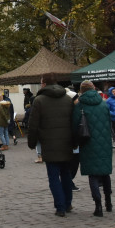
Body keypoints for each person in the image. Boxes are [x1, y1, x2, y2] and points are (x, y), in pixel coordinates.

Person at [27, 72, 75, 217]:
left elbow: (33, 124)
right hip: (66, 143)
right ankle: (67, 204)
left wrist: (32, 142)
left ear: (44, 83)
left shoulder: (39, 100)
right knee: (66, 175)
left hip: (49, 144)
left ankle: (60, 207)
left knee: (54, 177)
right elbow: (73, 121)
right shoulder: (67, 99)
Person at [73, 81, 113, 217]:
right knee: (105, 172)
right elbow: (110, 121)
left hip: (88, 142)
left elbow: (75, 126)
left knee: (93, 175)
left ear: (81, 91)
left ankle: (98, 205)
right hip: (104, 142)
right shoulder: (103, 103)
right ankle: (109, 201)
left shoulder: (79, 106)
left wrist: (75, 142)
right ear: (94, 89)